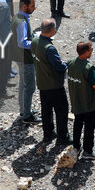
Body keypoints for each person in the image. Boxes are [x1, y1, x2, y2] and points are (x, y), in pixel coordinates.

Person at [32, 18, 72, 147]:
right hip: (54, 85)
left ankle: (48, 134)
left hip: (42, 82)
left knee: (46, 110)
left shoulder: (35, 41)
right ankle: (63, 136)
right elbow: (59, 67)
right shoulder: (49, 49)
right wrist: (67, 64)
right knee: (61, 110)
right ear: (52, 30)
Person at [67, 40, 95, 160]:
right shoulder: (88, 67)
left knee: (77, 124)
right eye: (91, 50)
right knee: (89, 127)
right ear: (86, 52)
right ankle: (88, 151)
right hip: (89, 103)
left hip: (76, 101)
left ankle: (76, 147)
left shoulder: (70, 63)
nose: (92, 52)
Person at [13, 0, 39, 123]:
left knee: (23, 85)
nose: (34, 8)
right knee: (29, 87)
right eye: (32, 6)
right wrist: (36, 43)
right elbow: (22, 43)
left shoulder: (20, 17)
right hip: (25, 59)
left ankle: (24, 110)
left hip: (20, 58)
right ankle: (27, 116)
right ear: (24, 6)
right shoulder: (21, 22)